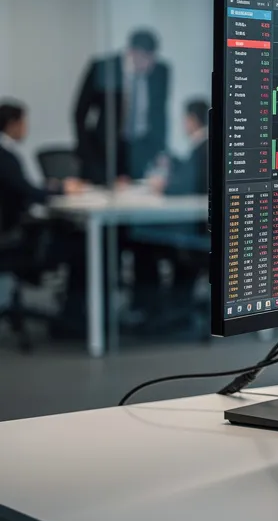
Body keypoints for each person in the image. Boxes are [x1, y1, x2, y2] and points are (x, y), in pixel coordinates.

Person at [0, 99, 89, 333]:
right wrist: (61, 189)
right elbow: (28, 193)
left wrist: (50, 187)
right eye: (24, 122)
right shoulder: (5, 157)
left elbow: (21, 189)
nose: (26, 129)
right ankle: (74, 319)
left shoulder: (6, 156)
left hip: (10, 233)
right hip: (13, 239)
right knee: (83, 245)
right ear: (12, 124)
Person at [127, 99, 209, 330]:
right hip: (209, 232)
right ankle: (171, 305)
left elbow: (185, 186)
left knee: (141, 242)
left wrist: (163, 186)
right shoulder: (210, 147)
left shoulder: (202, 149)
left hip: (198, 235)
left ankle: (149, 309)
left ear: (191, 120)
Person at [72, 28, 171, 184]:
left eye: (152, 58)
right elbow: (80, 112)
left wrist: (161, 150)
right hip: (106, 149)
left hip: (141, 149)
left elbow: (160, 114)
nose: (149, 65)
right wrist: (86, 151)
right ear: (132, 52)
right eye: (146, 58)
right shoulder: (104, 68)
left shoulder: (161, 72)